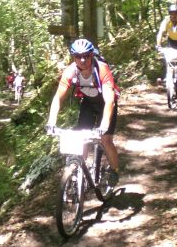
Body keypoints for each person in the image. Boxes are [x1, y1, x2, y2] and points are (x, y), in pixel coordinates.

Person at [46, 38, 121, 186]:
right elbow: (58, 97)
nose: (82, 60)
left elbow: (109, 101)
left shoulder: (102, 69)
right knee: (80, 136)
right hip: (88, 103)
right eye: (78, 56)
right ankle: (80, 169)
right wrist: (51, 122)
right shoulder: (70, 71)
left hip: (106, 104)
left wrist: (104, 125)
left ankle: (114, 171)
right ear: (73, 57)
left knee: (106, 139)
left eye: (86, 56)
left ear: (91, 55)